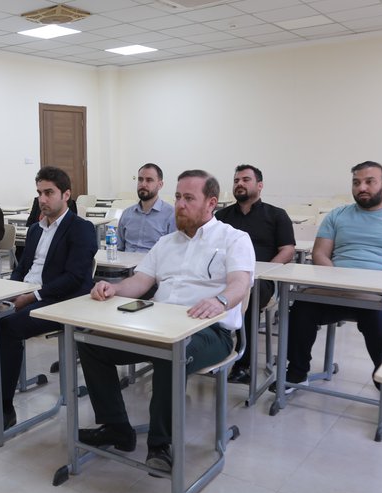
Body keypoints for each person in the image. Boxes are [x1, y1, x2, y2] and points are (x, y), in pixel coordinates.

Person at [77, 169, 254, 474]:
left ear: (211, 203)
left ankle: (161, 444)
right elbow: (141, 282)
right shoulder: (166, 243)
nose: (180, 205)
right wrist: (114, 289)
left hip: (210, 330)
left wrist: (221, 301)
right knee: (91, 342)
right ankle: (116, 428)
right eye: (178, 197)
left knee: (171, 354)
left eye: (189, 198)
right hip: (158, 324)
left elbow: (240, 284)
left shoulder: (234, 239)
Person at [0, 166, 97, 442]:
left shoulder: (81, 228)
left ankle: (5, 408)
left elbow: (75, 278)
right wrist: (8, 291)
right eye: (39, 193)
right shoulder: (35, 230)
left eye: (49, 193)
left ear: (66, 195)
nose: (43, 199)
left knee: (7, 327)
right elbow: (21, 268)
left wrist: (31, 297)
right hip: (26, 293)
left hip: (59, 301)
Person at [278, 161, 382, 416]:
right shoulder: (337, 215)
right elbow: (320, 253)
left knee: (379, 322)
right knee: (301, 310)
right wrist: (338, 279)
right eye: (356, 183)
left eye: (369, 181)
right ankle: (297, 372)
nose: (362, 187)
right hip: (336, 287)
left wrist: (371, 283)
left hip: (379, 291)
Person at [215, 165, 295, 384]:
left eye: (245, 180)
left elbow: (287, 250)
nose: (239, 184)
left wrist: (264, 271)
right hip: (226, 276)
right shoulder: (221, 216)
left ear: (259, 185)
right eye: (236, 180)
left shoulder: (276, 215)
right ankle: (211, 352)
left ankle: (244, 364)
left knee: (247, 296)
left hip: (262, 281)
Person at [116, 163, 175, 253]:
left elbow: (174, 253)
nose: (143, 184)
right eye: (140, 179)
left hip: (154, 261)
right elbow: (118, 249)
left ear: (160, 185)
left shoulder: (171, 215)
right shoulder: (127, 214)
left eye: (149, 180)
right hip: (127, 261)